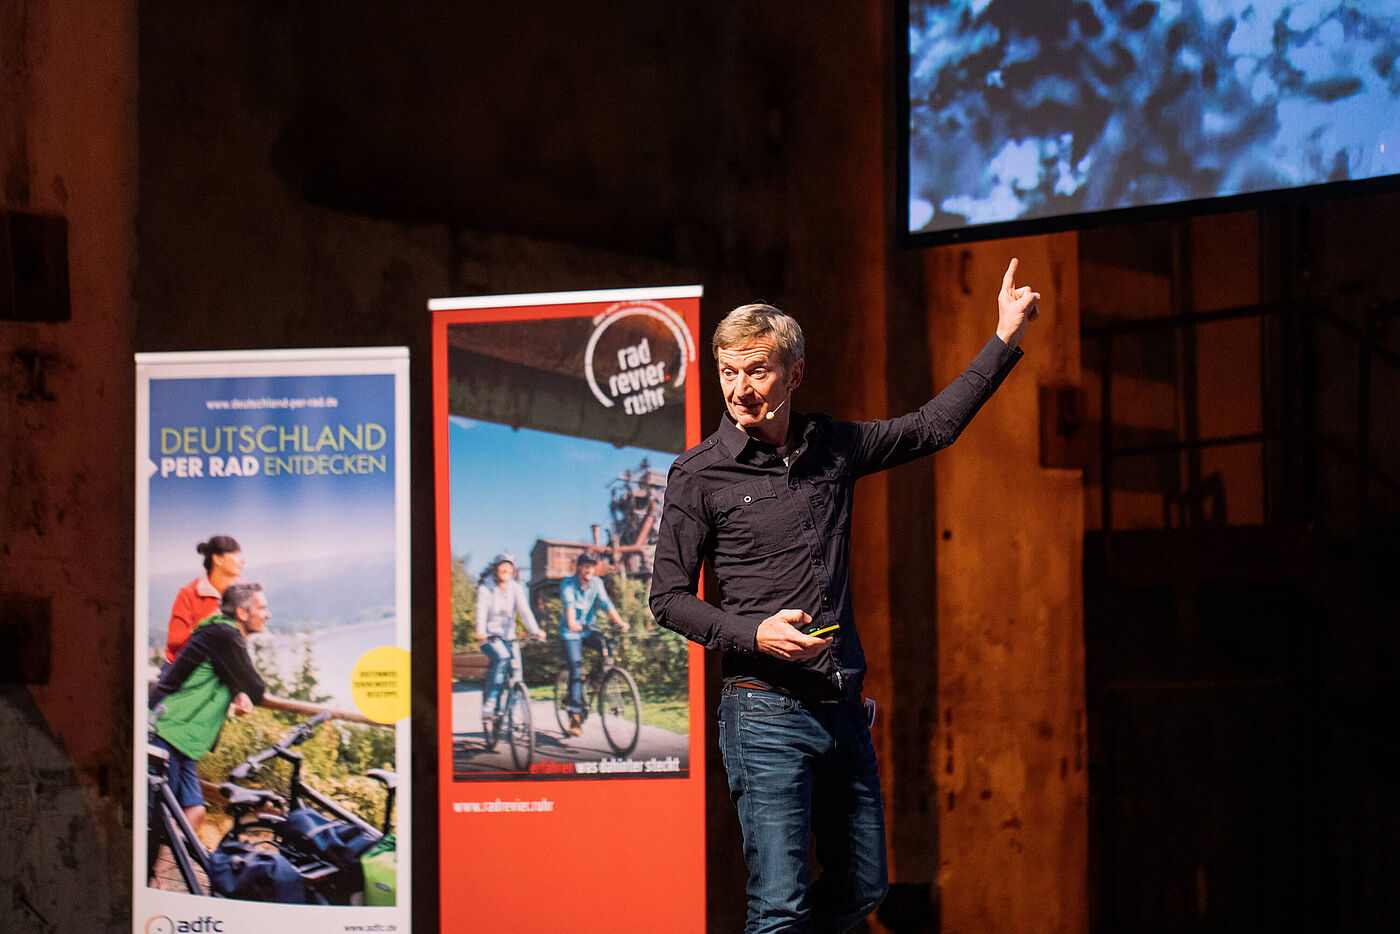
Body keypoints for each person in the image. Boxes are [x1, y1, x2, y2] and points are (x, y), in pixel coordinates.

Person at [649, 259, 1041, 933]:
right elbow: (668, 598)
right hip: (763, 712)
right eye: (728, 372)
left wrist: (1003, 335)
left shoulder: (833, 448)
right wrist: (755, 634)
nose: (740, 389)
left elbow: (931, 427)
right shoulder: (698, 474)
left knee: (864, 887)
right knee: (779, 907)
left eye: (757, 371)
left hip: (841, 711)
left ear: (794, 373)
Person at [149, 581, 270, 834]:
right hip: (167, 734)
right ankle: (147, 872)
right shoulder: (225, 635)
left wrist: (238, 693)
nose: (267, 614)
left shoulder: (219, 633)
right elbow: (256, 688)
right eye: (262, 608)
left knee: (195, 813)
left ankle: (170, 873)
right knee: (156, 823)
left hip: (182, 741)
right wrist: (245, 691)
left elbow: (225, 671)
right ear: (242, 613)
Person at [559, 553, 629, 736]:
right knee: (576, 669)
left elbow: (606, 603)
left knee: (608, 645)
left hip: (588, 630)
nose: (589, 569)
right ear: (579, 567)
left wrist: (619, 621)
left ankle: (596, 681)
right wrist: (573, 624)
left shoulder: (597, 583)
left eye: (592, 566)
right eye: (586, 566)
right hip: (571, 632)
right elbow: (570, 605)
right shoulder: (568, 583)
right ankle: (575, 715)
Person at [475, 554, 545, 730]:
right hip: (490, 637)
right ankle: (490, 704)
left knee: (517, 677)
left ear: (513, 572)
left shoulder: (515, 588)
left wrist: (535, 630)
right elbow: (481, 611)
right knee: (503, 657)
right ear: (496, 570)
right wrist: (481, 631)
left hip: (509, 638)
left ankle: (515, 718)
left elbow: (525, 611)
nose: (506, 571)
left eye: (510, 569)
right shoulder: (485, 589)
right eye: (502, 568)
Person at [164, 535, 244, 664]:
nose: (242, 561)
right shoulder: (189, 594)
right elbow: (174, 642)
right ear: (218, 559)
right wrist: (210, 626)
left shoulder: (243, 592)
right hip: (186, 669)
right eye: (236, 555)